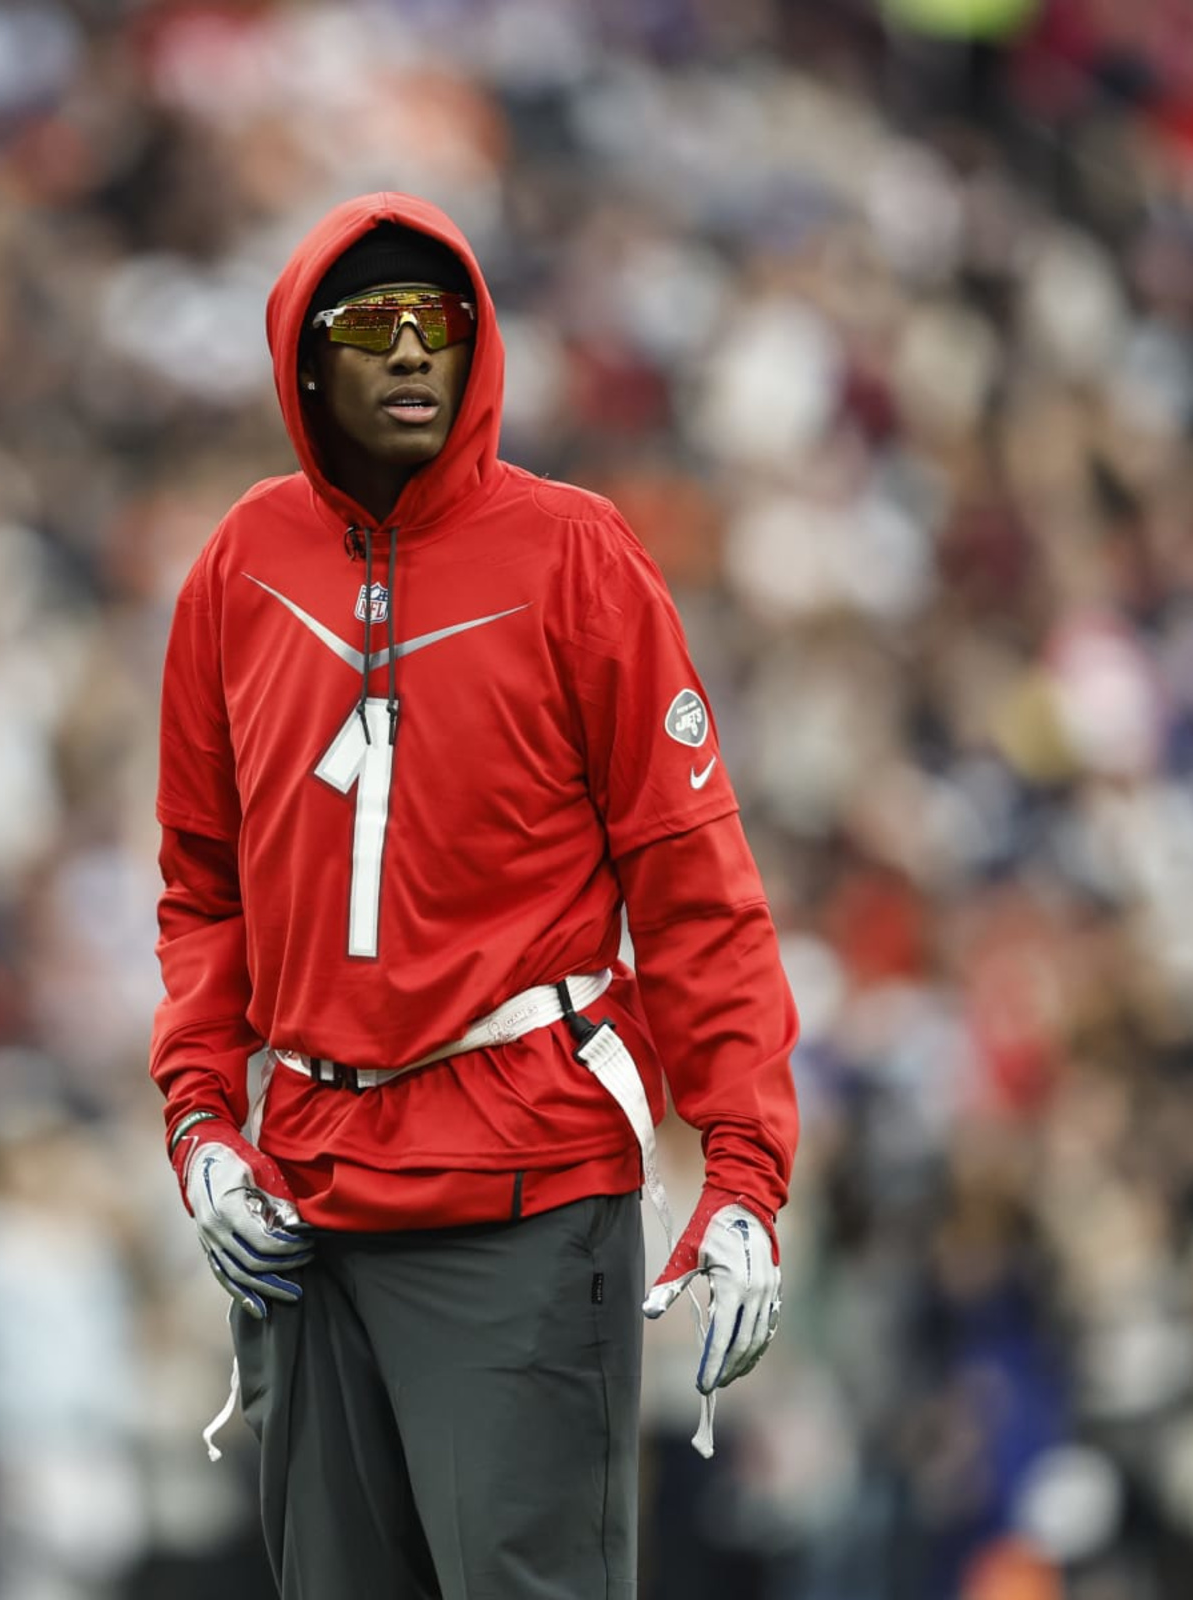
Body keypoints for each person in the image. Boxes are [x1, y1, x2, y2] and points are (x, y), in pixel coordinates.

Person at [150, 192, 799, 1599]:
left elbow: (696, 886)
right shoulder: (238, 570)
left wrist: (744, 1171)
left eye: (435, 324)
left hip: (523, 1185)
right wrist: (202, 1121)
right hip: (305, 1199)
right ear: (303, 360)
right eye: (368, 325)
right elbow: (202, 887)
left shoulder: (575, 554)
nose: (407, 354)